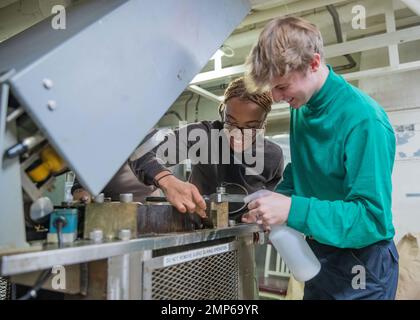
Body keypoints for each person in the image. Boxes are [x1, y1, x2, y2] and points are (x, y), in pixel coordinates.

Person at [242, 17, 398, 299]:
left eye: (282, 87)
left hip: (362, 262)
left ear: (314, 63)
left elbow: (371, 219)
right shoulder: (301, 104)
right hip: (320, 254)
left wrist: (292, 210)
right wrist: (272, 203)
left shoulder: (364, 120)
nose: (276, 98)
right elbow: (302, 169)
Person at [128, 77, 284, 221]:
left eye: (251, 127)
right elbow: (141, 150)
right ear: (222, 113)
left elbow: (272, 203)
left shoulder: (272, 157)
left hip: (242, 240)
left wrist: (260, 221)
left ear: (263, 124)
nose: (238, 134)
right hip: (197, 235)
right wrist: (167, 180)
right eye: (231, 123)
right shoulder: (203, 135)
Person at [71, 162, 159, 203]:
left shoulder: (147, 158)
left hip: (146, 221)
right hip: (108, 221)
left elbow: (154, 192)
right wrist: (84, 198)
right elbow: (80, 193)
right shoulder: (96, 158)